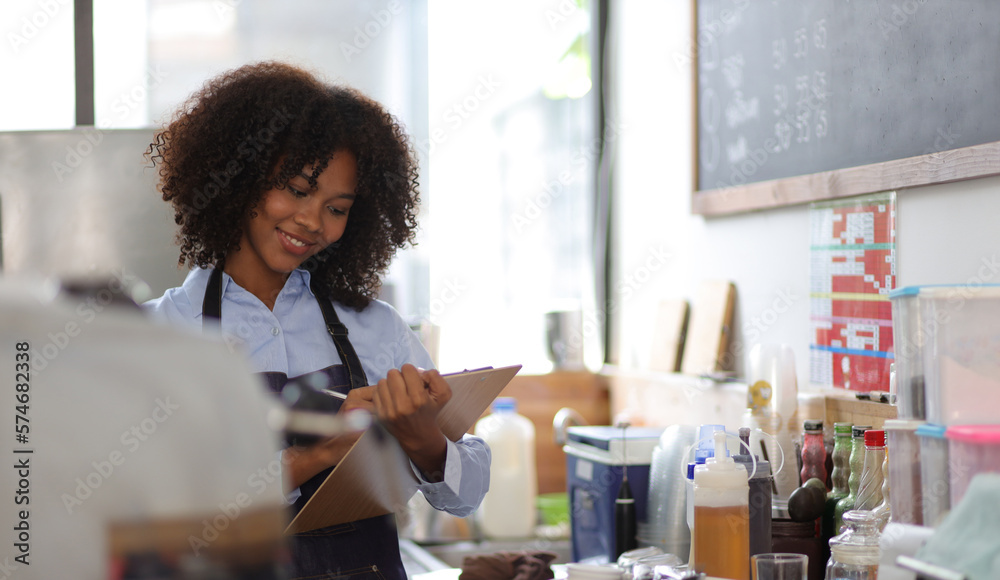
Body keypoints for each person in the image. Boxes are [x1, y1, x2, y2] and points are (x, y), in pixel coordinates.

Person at [143, 61, 490, 579]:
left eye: (338, 207)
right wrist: (326, 450)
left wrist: (425, 442)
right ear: (242, 177)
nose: (312, 221)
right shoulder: (159, 334)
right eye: (298, 189)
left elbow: (467, 497)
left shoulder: (376, 328)